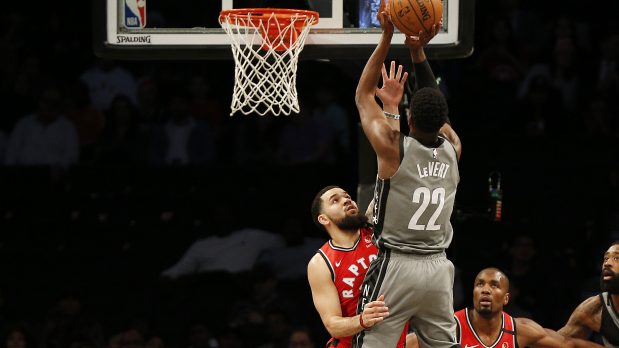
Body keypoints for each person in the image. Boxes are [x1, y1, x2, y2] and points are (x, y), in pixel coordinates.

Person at [352, 3, 461, 348]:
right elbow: (435, 106)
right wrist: (418, 52)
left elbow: (361, 95)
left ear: (410, 117)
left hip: (397, 266)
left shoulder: (392, 147)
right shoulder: (453, 149)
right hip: (438, 269)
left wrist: (387, 36)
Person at [307, 185, 407, 347]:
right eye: (335, 200)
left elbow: (390, 186)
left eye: (347, 196)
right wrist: (362, 320)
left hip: (393, 337)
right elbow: (332, 324)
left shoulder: (376, 231)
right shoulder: (320, 263)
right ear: (324, 219)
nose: (346, 200)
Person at [406, 268, 603, 348]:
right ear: (472, 293)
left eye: (494, 285)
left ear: (506, 298)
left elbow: (569, 344)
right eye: (479, 284)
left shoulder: (519, 329)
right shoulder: (451, 326)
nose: (485, 290)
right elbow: (405, 343)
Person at [558, 242, 619, 346]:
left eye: (616, 258)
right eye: (605, 258)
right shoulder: (594, 309)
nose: (607, 263)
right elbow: (558, 342)